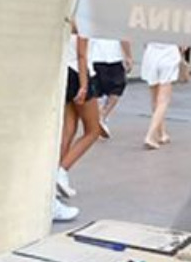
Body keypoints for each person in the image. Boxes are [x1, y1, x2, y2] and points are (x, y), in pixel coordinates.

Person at [54, 26, 99, 223]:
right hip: (78, 73)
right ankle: (60, 171)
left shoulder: (65, 14)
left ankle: (54, 177)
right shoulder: (84, 17)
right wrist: (84, 85)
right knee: (93, 130)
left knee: (68, 129)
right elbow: (82, 54)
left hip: (64, 72)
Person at [140, 42, 182, 149]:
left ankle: (162, 133)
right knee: (163, 100)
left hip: (150, 54)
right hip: (169, 54)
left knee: (154, 99)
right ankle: (150, 136)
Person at [90, 38, 133, 138]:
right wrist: (129, 56)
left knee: (96, 90)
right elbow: (124, 37)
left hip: (95, 56)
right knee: (117, 88)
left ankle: (99, 116)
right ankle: (103, 115)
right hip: (114, 56)